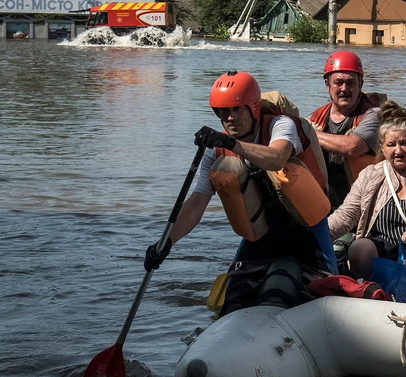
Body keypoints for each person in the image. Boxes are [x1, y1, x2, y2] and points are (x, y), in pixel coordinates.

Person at [143, 71, 335, 296]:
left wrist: (230, 142)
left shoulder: (280, 125)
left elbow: (277, 158)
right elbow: (197, 203)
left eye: (237, 109)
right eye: (224, 111)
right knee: (233, 299)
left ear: (253, 108)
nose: (230, 117)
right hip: (262, 234)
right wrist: (166, 243)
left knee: (328, 291)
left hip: (308, 229)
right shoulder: (217, 149)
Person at [328, 101, 406, 280]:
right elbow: (347, 214)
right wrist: (319, 233)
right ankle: (365, 291)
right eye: (391, 144)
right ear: (382, 148)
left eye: (404, 143)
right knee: (359, 248)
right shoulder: (370, 174)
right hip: (379, 247)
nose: (398, 150)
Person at [308, 50, 384, 207]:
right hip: (324, 205)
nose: (344, 89)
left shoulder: (374, 116)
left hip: (363, 206)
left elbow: (352, 147)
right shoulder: (315, 119)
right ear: (327, 85)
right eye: (338, 82)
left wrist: (306, 133)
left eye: (350, 83)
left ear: (360, 84)